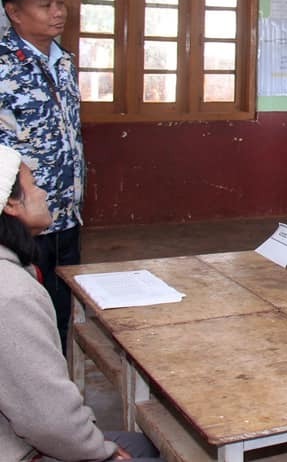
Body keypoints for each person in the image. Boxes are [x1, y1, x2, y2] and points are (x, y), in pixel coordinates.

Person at [0, 145, 164, 461]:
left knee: (148, 444)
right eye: (33, 185)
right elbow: (49, 420)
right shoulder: (11, 296)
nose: (44, 194)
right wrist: (102, 454)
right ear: (10, 203)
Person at [0, 0, 85, 353]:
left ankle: (58, 383)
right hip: (19, 219)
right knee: (25, 318)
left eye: (61, 2)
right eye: (45, 4)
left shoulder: (63, 61)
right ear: (14, 12)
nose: (58, 11)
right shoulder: (3, 66)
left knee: (62, 307)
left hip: (65, 213)